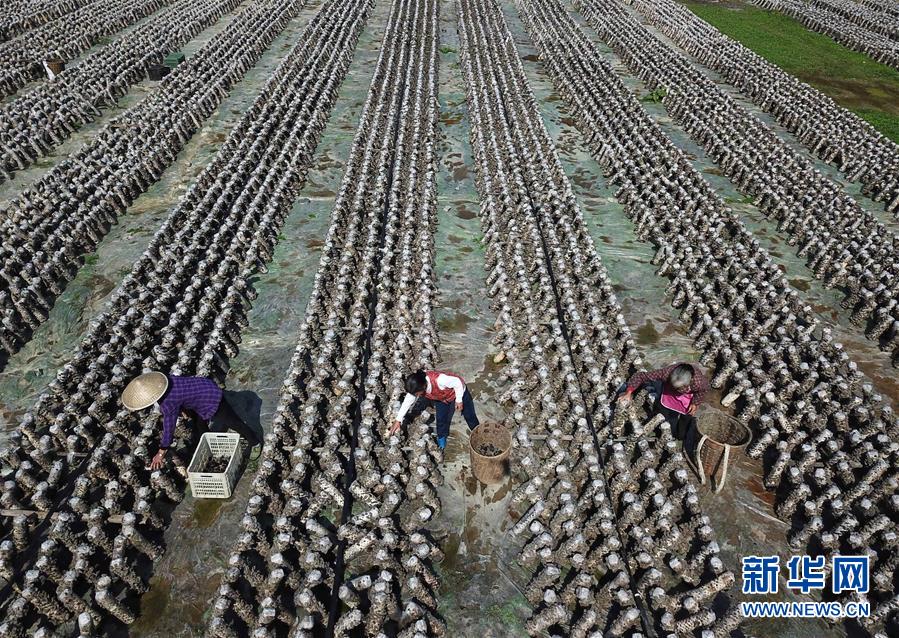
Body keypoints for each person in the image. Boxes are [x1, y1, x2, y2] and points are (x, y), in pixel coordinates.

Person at [121, 371, 262, 470]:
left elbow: (169, 428)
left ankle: (255, 442)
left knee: (232, 422)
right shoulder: (165, 380)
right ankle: (211, 446)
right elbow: (183, 393)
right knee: (200, 425)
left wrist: (161, 452)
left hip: (210, 397)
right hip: (202, 386)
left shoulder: (168, 402)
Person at [388, 369, 479, 449]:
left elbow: (458, 382)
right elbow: (408, 401)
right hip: (442, 398)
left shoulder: (440, 380)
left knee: (469, 414)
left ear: (423, 387)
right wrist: (398, 420)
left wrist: (459, 400)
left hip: (459, 391)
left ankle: (477, 431)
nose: (416, 396)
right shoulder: (417, 387)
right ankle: (442, 437)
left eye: (417, 394)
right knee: (440, 419)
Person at [617, 362, 709, 438]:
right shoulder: (666, 373)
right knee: (669, 417)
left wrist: (695, 403)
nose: (679, 391)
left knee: (688, 415)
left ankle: (681, 435)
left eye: (680, 388)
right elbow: (641, 376)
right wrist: (628, 392)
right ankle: (671, 432)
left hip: (688, 396)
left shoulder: (698, 382)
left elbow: (703, 391)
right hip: (669, 393)